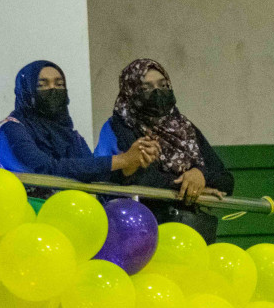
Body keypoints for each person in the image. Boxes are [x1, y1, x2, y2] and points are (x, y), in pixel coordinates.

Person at [96, 58, 235, 239]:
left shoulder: (184, 127)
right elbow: (139, 177)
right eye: (146, 88)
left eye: (163, 86)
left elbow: (225, 180)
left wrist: (199, 175)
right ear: (130, 93)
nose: (157, 93)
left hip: (188, 235)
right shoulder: (119, 126)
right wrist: (187, 186)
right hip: (136, 232)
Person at [0, 60, 158, 180]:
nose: (53, 89)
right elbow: (46, 168)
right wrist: (122, 160)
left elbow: (92, 173)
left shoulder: (72, 137)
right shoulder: (11, 128)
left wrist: (132, 163)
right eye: (42, 85)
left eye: (59, 85)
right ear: (25, 91)